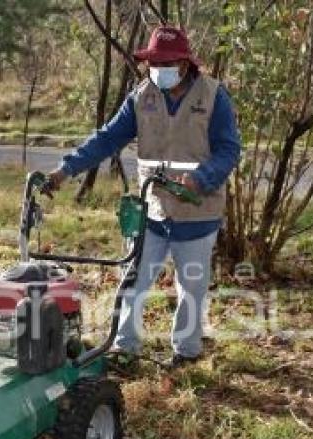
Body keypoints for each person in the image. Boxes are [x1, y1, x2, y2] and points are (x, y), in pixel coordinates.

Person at [42, 26, 241, 368]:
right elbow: (107, 139)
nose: (157, 69)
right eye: (153, 62)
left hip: (197, 213)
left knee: (190, 288)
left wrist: (201, 178)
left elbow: (229, 150)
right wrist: (65, 170)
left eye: (164, 62)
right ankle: (124, 348)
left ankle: (187, 353)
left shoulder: (212, 96)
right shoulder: (142, 96)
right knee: (132, 279)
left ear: (183, 63)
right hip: (152, 209)